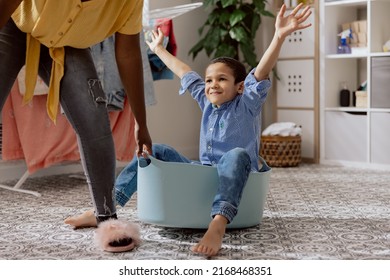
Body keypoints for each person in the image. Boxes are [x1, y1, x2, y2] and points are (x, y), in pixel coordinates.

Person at [65, 3, 312, 256]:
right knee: (154, 150)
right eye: (209, 80)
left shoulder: (247, 103)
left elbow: (260, 71)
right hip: (205, 171)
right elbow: (185, 72)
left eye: (222, 79)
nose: (212, 84)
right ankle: (106, 209)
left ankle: (218, 223)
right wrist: (159, 49)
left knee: (237, 153)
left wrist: (279, 36)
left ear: (240, 87)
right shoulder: (206, 100)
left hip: (240, 169)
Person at [0, 0, 153, 252]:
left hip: (66, 42)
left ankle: (107, 220)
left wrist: (141, 123)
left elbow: (127, 52)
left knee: (94, 117)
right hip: (14, 25)